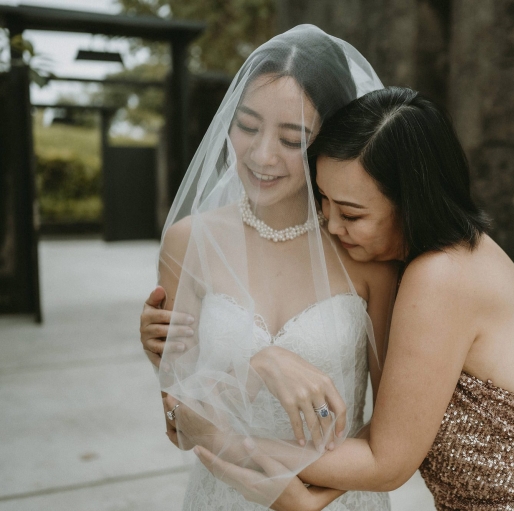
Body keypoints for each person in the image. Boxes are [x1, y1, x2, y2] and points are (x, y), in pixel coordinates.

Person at [188, 87, 514, 510]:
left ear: (411, 202)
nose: (330, 226)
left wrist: (227, 445)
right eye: (323, 201)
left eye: (351, 213)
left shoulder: (442, 275)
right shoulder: (447, 256)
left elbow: (384, 462)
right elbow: (388, 433)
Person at [143, 25, 399, 511]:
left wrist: (307, 495)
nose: (261, 155)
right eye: (247, 125)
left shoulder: (368, 255)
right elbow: (179, 422)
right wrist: (257, 363)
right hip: (223, 495)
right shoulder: (188, 242)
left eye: (292, 138)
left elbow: (390, 429)